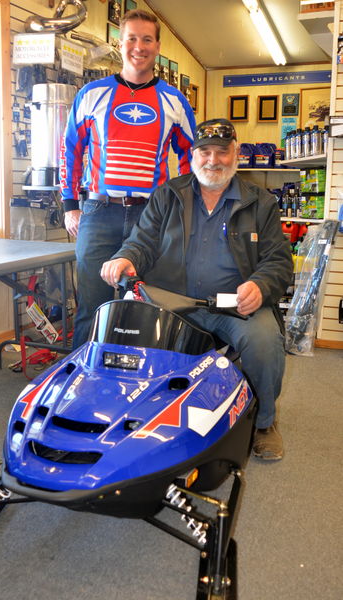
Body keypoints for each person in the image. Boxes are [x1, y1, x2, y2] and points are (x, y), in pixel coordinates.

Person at [101, 118, 293, 461]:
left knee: (264, 342)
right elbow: (141, 242)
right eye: (205, 151)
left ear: (236, 154)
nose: (213, 160)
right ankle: (128, 418)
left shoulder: (260, 203)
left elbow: (278, 261)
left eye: (222, 151)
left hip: (234, 305)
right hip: (170, 300)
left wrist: (260, 286)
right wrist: (125, 258)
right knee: (123, 333)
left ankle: (265, 422)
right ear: (192, 155)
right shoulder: (167, 195)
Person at [60, 8, 196, 349]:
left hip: (152, 217)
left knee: (149, 307)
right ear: (120, 44)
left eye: (147, 39)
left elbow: (193, 157)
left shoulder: (175, 101)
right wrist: (69, 205)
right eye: (132, 38)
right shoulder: (91, 95)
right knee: (91, 308)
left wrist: (185, 207)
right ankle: (80, 389)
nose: (139, 46)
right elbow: (69, 151)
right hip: (98, 212)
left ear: (158, 46)